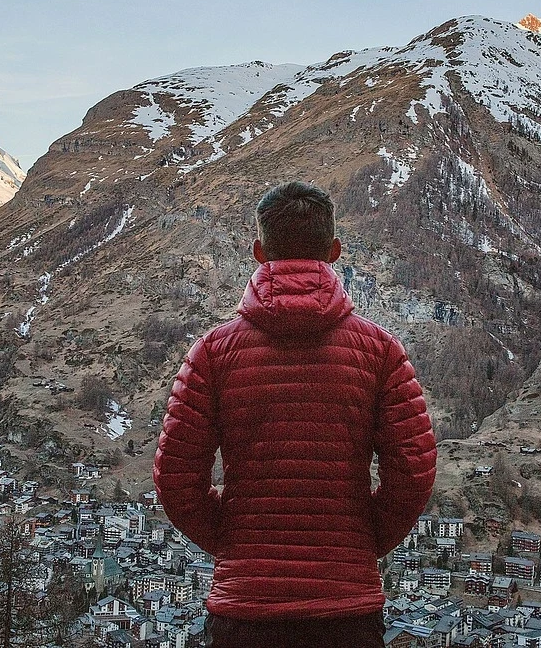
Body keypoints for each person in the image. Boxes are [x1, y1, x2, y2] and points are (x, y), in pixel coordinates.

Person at [154, 181, 437, 648]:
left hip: (245, 609)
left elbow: (176, 478)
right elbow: (413, 472)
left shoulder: (211, 353)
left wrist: (235, 543)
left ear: (259, 251)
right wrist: (357, 544)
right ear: (335, 250)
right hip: (347, 610)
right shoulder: (381, 352)